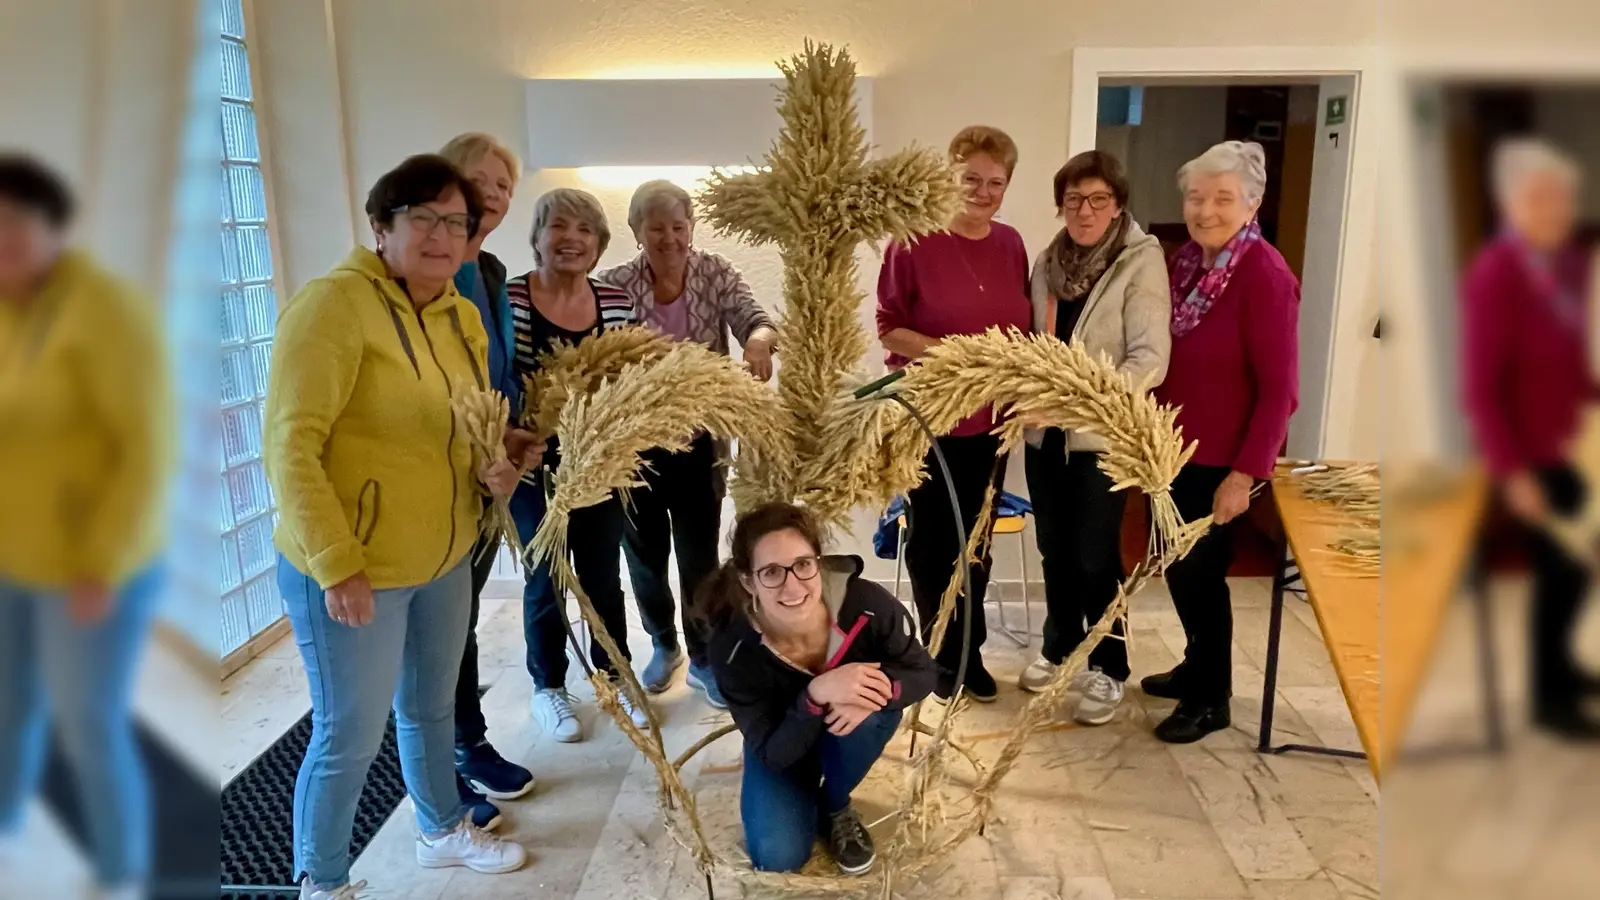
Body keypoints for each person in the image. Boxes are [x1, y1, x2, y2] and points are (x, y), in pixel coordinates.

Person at [264, 154, 531, 898]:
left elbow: (467, 426)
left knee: (428, 709)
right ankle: (324, 879)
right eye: (425, 218)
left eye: (457, 223)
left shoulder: (459, 313)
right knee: (349, 736)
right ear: (382, 225)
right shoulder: (331, 308)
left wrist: (501, 459)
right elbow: (290, 446)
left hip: (443, 557)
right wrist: (335, 561)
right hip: (355, 569)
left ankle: (442, 830)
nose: (443, 235)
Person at [0, 155, 170, 900]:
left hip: (93, 565)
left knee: (86, 724)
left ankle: (118, 868)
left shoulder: (105, 309)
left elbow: (145, 448)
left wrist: (99, 562)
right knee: (8, 711)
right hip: (11, 555)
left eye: (16, 225)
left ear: (53, 227)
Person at [597, 179, 779, 707]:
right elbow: (593, 354)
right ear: (637, 232)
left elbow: (756, 320)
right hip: (636, 447)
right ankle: (664, 644)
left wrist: (758, 344)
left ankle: (703, 659)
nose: (670, 238)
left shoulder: (714, 272)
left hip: (702, 442)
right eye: (657, 228)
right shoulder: (613, 285)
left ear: (692, 228)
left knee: (699, 558)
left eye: (679, 227)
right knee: (645, 557)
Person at [1145, 141, 1299, 744]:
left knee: (1202, 577)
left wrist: (1245, 475)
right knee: (1183, 574)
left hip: (1221, 463)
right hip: (1174, 455)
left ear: (1253, 202)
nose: (1206, 209)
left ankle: (1213, 699)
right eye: (1195, 196)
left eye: (1223, 198)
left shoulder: (1265, 275)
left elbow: (1280, 390)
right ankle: (1195, 667)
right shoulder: (1187, 263)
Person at [875, 125, 1032, 701]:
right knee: (934, 540)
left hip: (992, 419)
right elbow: (889, 325)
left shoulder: (1012, 244)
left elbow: (1023, 325)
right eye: (971, 178)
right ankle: (938, 654)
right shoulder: (913, 240)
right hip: (931, 417)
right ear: (950, 176)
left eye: (995, 182)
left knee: (978, 539)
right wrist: (957, 356)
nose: (982, 191)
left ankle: (971, 648)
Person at [1017, 150, 1171, 725]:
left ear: (1117, 205)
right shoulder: (1046, 264)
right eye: (1074, 199)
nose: (1084, 210)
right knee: (1054, 549)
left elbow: (1150, 359)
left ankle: (1108, 666)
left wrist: (1080, 402)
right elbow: (1035, 345)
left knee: (1095, 558)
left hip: (1100, 439)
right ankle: (1060, 648)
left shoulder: (1139, 263)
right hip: (1044, 436)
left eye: (1097, 199)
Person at [699, 503, 937, 875]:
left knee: (870, 716)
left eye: (803, 565)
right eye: (772, 572)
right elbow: (774, 753)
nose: (792, 585)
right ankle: (801, 792)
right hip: (781, 739)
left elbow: (923, 673)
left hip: (844, 731)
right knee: (778, 857)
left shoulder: (867, 605)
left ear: (819, 562)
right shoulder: (731, 647)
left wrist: (875, 692)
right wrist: (816, 695)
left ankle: (835, 803)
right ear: (748, 581)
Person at [1462, 138, 1598, 739]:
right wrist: (1510, 472)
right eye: (1541, 198)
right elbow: (1480, 386)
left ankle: (1564, 667)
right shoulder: (1495, 274)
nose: (1555, 209)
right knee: (1557, 571)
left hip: (1576, 444)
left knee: (1576, 570)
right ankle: (1550, 697)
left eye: (1562, 199)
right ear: (1512, 203)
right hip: (1528, 453)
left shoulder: (1569, 264)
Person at [512, 188, 650, 743]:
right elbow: (502, 377)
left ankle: (615, 676)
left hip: (598, 463)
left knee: (599, 576)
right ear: (537, 238)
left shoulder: (615, 302)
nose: (570, 238)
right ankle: (549, 687)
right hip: (531, 464)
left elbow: (625, 379)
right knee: (544, 576)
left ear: (598, 247)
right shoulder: (513, 299)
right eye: (558, 226)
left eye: (584, 231)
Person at [437, 132, 537, 828]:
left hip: (484, 478)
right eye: (481, 181)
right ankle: (437, 774)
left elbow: (491, 375)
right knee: (433, 635)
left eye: (504, 186)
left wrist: (511, 433)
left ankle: (468, 742)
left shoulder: (493, 272)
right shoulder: (428, 271)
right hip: (429, 479)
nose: (493, 196)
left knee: (460, 624)